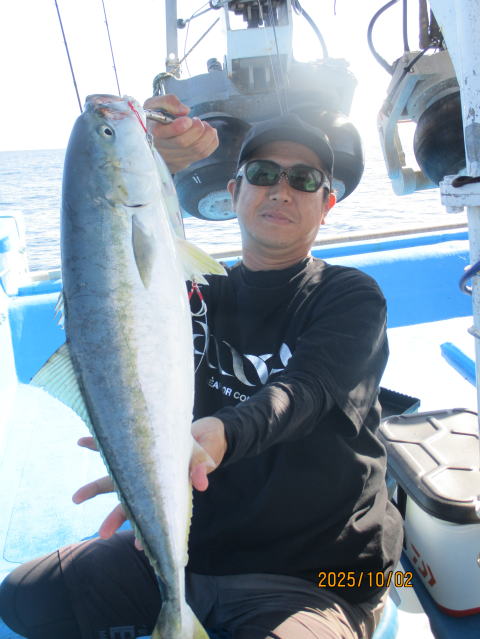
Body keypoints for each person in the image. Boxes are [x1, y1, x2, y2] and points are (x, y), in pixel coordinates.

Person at [0, 96, 403, 639]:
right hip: (194, 554)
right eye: (263, 174)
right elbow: (121, 288)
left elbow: (305, 393)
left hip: (315, 573)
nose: (281, 190)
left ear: (327, 204)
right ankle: (175, 600)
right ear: (233, 192)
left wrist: (222, 434)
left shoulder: (350, 297)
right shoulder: (185, 297)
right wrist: (159, 163)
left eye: (305, 180)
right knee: (23, 599)